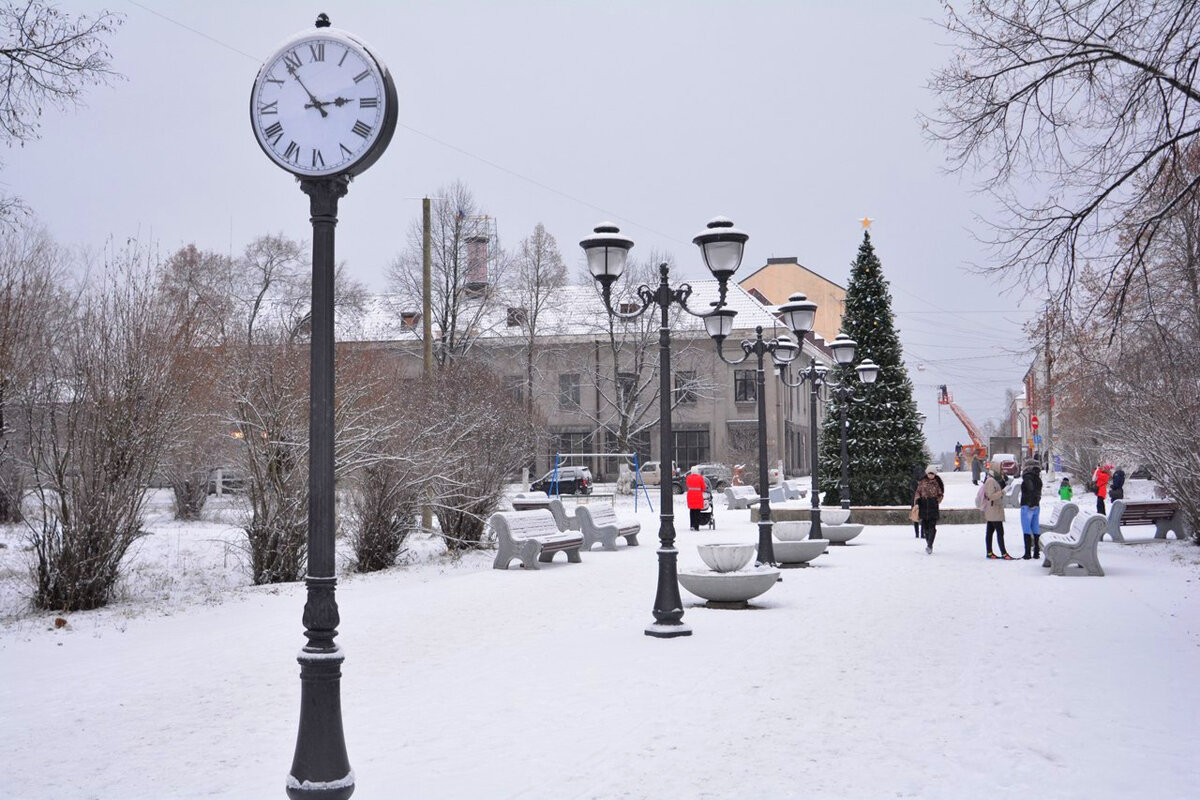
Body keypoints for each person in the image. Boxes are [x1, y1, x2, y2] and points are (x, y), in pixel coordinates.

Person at [982, 466, 1012, 559]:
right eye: (1001, 470)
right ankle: (1004, 553)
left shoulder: (993, 479)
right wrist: (1003, 492)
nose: (1003, 472)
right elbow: (990, 496)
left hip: (993, 509)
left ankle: (989, 552)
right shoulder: (991, 481)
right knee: (999, 531)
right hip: (994, 509)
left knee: (990, 531)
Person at [914, 465, 944, 554]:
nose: (931, 475)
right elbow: (917, 492)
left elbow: (940, 494)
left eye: (932, 474)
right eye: (929, 473)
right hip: (924, 506)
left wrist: (936, 501)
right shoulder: (922, 482)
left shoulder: (937, 483)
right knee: (925, 527)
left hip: (932, 506)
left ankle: (930, 544)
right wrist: (918, 501)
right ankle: (928, 542)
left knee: (932, 527)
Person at [1020, 458, 1044, 560]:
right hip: (1037, 506)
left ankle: (1027, 553)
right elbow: (1037, 492)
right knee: (1035, 528)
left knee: (1026, 529)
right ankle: (1036, 552)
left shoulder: (1027, 477)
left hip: (1027, 505)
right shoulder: (1038, 478)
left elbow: (1030, 489)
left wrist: (1030, 503)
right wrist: (1035, 502)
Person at [685, 467, 706, 531]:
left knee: (692, 511)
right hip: (698, 496)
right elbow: (703, 488)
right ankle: (696, 526)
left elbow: (687, 485)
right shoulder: (700, 478)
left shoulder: (688, 478)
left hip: (690, 496)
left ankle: (692, 525)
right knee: (697, 512)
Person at [909, 463, 926, 538]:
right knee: (920, 517)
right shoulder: (921, 482)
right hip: (918, 500)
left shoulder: (914, 481)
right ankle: (920, 533)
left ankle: (919, 533)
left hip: (916, 500)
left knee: (917, 517)